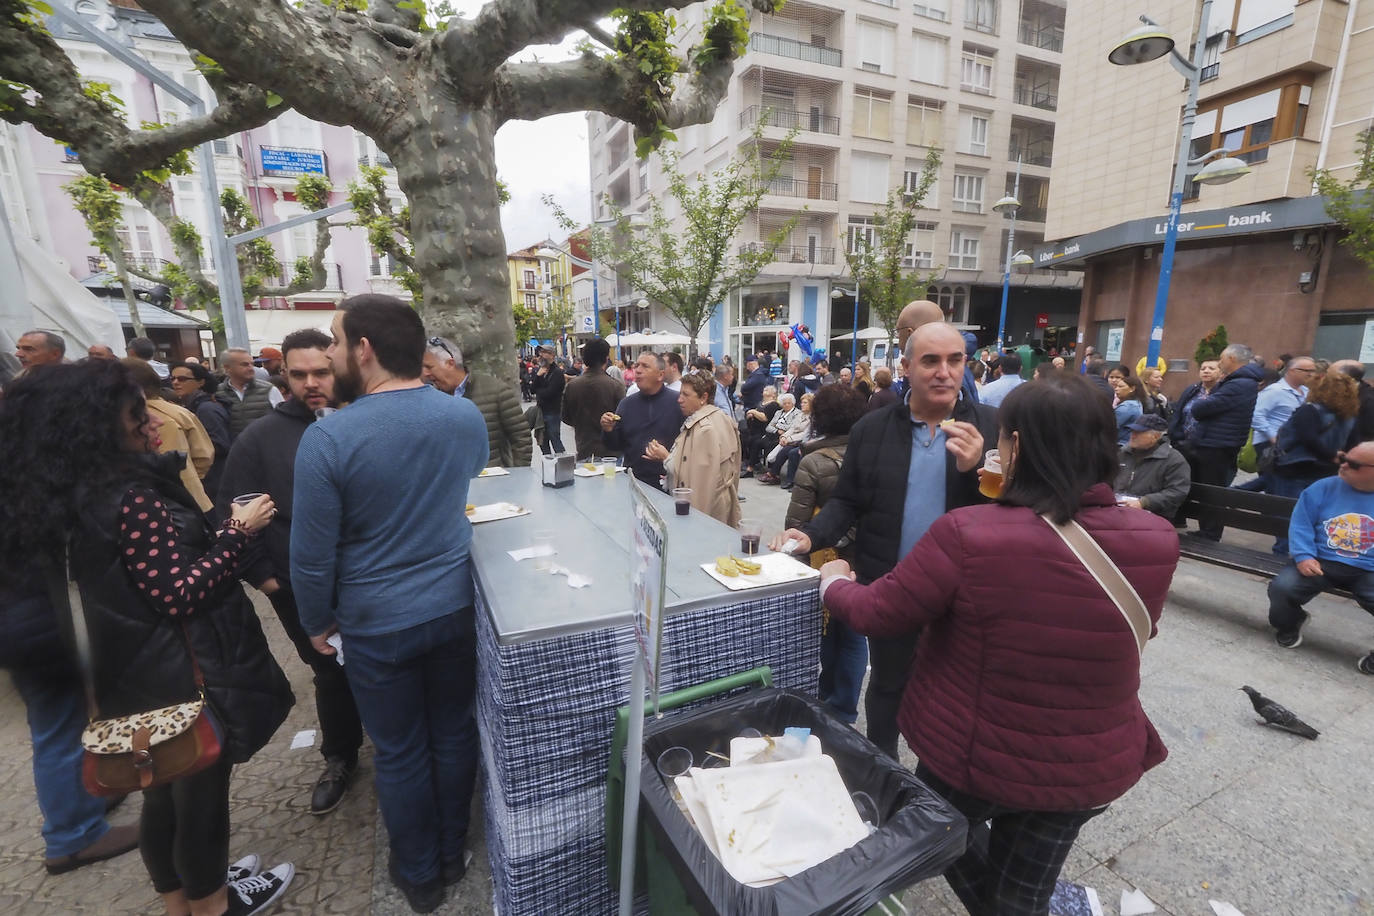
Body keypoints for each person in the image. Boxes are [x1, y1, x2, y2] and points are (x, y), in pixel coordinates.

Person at [818, 375, 1178, 914]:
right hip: (1088, 761)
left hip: (977, 752)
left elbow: (879, 612)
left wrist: (834, 582)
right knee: (1020, 894)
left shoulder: (970, 534)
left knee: (939, 838)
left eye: (1003, 438)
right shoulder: (1156, 537)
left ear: (1019, 447)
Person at [0, 360, 295, 916]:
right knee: (200, 798)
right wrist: (238, 532)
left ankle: (179, 901)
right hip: (179, 677)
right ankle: (215, 905)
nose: (153, 425)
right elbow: (179, 593)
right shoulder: (132, 498)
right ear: (93, 425)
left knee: (161, 790)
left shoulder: (56, 497)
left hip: (126, 680)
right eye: (138, 417)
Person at [291, 295, 488, 912]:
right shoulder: (462, 417)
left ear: (364, 348)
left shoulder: (328, 440)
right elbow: (470, 475)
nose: (329, 352)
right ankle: (452, 854)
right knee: (454, 736)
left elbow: (312, 555)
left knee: (400, 751)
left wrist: (317, 621)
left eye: (335, 340)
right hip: (455, 608)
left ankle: (421, 876)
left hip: (377, 624)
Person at [770, 322, 998, 758]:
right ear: (906, 367)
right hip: (893, 582)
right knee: (888, 684)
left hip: (964, 591)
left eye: (955, 361)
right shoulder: (872, 429)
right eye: (931, 361)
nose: (944, 372)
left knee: (958, 689)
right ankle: (882, 767)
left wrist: (978, 473)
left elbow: (1015, 514)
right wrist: (811, 533)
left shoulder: (989, 426)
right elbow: (847, 502)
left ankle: (943, 774)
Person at [217, 329, 365, 818]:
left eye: (320, 371)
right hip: (298, 586)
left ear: (338, 366)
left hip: (370, 578)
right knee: (329, 672)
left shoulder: (365, 422)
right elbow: (232, 512)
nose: (310, 383)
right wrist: (265, 576)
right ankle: (339, 756)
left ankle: (397, 749)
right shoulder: (260, 438)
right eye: (297, 374)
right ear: (283, 375)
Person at [782, 384, 869, 724]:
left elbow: (797, 522)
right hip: (863, 557)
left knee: (826, 633)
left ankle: (825, 702)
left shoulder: (813, 461)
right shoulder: (872, 453)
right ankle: (845, 708)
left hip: (823, 557)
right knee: (854, 634)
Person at [1268, 440, 1374, 673]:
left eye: (1353, 464)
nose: (1343, 464)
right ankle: (1291, 623)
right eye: (1344, 458)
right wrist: (1304, 555)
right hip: (1320, 560)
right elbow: (1301, 524)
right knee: (1281, 588)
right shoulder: (1323, 487)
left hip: (1369, 569)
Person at [1185, 344, 1264, 540]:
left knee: (1213, 491)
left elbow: (1202, 408)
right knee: (1207, 488)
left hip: (1217, 445)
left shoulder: (1240, 384)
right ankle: (1206, 529)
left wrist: (1202, 404)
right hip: (1216, 441)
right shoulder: (1238, 382)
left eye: (1221, 359)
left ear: (1231, 359)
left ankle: (1210, 532)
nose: (1219, 363)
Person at [644, 369, 741, 525]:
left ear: (703, 397)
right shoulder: (721, 418)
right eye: (680, 393)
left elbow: (698, 486)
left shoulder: (705, 430)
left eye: (686, 395)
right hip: (720, 510)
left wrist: (665, 457)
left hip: (706, 518)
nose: (679, 400)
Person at [123, 358, 216, 514]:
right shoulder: (180, 412)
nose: (155, 423)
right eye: (173, 378)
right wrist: (192, 478)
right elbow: (204, 456)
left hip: (170, 506)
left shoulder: (142, 418)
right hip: (196, 499)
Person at [422, 336, 532, 468]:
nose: (425, 373)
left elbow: (521, 439)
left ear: (450, 363)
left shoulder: (497, 390)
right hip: (451, 485)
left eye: (429, 367)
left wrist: (516, 476)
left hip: (492, 482)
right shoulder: (431, 399)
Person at [1269, 372, 1360, 502]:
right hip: (1329, 470)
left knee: (1289, 508)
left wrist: (1330, 454)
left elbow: (1308, 438)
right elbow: (1354, 443)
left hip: (1298, 466)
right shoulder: (1350, 417)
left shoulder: (1310, 410)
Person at [601, 352, 685, 488]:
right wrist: (608, 430)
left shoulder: (679, 402)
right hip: (634, 482)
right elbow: (615, 446)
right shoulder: (626, 404)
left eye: (645, 366)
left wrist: (668, 457)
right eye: (637, 365)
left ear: (660, 375)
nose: (638, 370)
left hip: (670, 483)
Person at [169, 361, 232, 499]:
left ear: (200, 382)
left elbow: (220, 444)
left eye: (182, 379)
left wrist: (188, 446)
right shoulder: (193, 405)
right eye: (172, 378)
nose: (175, 382)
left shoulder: (206, 409)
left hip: (215, 480)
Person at [560, 337, 626, 460]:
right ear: (606, 359)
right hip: (611, 453)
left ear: (584, 359)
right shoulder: (616, 386)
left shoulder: (572, 386)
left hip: (584, 448)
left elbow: (565, 417)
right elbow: (623, 420)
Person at [1115, 414, 1192, 519]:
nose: (1133, 435)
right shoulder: (1122, 454)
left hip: (1153, 516)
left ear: (1155, 437)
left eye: (1139, 433)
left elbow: (1177, 492)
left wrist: (1144, 502)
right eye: (1132, 431)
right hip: (1118, 509)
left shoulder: (1174, 460)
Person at [1251, 356, 1316, 468]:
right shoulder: (1275, 390)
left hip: (1293, 444)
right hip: (1270, 445)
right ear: (1291, 370)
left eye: (1313, 371)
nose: (1311, 374)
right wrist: (1273, 437)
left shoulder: (1306, 392)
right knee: (1273, 479)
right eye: (1307, 371)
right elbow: (1256, 415)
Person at [216, 348, 283, 440]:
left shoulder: (269, 390)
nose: (251, 368)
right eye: (245, 364)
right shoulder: (217, 393)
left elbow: (283, 421)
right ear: (227, 367)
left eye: (252, 364)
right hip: (234, 451)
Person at [758, 391, 814, 488]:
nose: (802, 404)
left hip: (801, 441)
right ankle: (773, 474)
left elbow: (805, 434)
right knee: (782, 450)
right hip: (790, 439)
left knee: (791, 452)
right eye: (802, 402)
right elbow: (792, 428)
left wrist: (788, 439)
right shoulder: (801, 415)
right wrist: (784, 437)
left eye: (805, 403)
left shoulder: (811, 417)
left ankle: (789, 480)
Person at [1168, 358, 1221, 450]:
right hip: (1183, 443)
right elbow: (1178, 413)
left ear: (1221, 373)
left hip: (1209, 445)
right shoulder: (1191, 390)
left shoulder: (1223, 392)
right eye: (1203, 369)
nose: (1206, 371)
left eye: (1211, 369)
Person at [529, 347, 566, 454]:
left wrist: (538, 391)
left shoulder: (557, 373)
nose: (541, 355)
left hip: (552, 413)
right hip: (540, 413)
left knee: (555, 441)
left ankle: (563, 465)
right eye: (541, 352)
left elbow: (549, 393)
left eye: (545, 352)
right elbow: (532, 390)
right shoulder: (540, 371)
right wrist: (538, 376)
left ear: (552, 355)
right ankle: (548, 466)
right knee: (543, 442)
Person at [741, 384, 779, 477]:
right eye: (764, 390)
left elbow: (765, 418)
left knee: (755, 441)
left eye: (767, 390)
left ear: (773, 394)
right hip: (754, 428)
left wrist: (753, 412)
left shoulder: (773, 405)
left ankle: (750, 468)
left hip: (766, 431)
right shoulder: (760, 403)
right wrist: (750, 415)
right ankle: (748, 462)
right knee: (743, 437)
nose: (764, 391)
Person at [1111, 375, 1153, 446]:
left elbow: (1111, 425)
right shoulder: (1136, 403)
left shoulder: (1128, 406)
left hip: (1120, 445)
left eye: (1121, 387)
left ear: (1132, 388)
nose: (1116, 389)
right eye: (1116, 386)